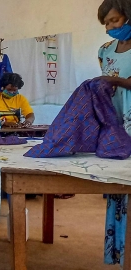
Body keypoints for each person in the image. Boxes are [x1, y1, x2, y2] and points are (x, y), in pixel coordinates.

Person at [97, 0, 131, 265]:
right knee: (119, 188)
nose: (110, 28)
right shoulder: (105, 50)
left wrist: (116, 81)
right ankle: (119, 252)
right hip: (114, 123)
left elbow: (117, 80)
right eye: (106, 23)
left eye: (115, 21)